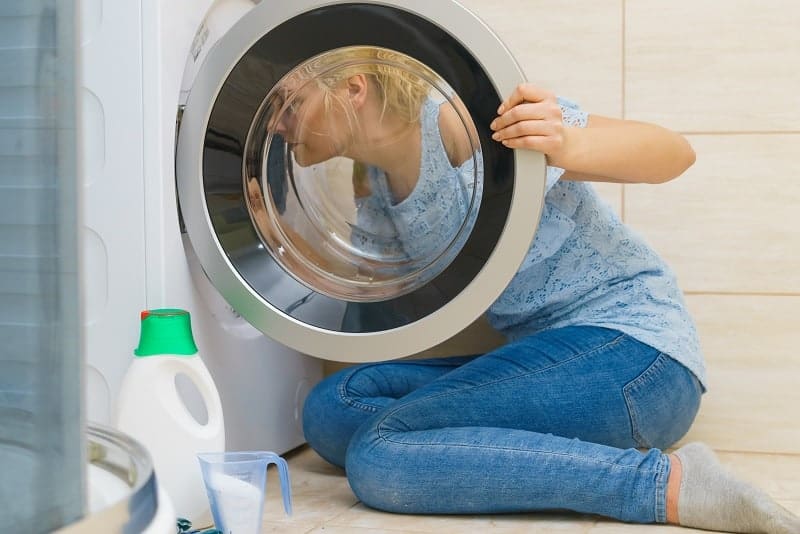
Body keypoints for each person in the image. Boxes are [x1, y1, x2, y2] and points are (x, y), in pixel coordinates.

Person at [275, 47, 799, 533]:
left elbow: (674, 153)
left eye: (290, 102)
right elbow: (389, 301)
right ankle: (480, 450)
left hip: (637, 356)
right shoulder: (374, 182)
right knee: (333, 407)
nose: (277, 123)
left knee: (378, 457)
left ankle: (667, 485)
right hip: (544, 361)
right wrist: (279, 241)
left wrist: (568, 144)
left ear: (352, 89)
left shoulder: (467, 125)